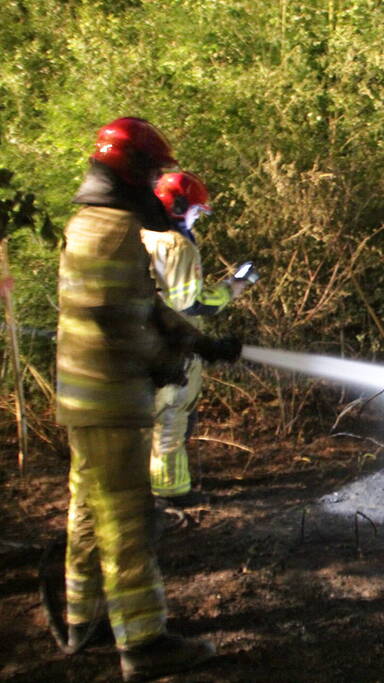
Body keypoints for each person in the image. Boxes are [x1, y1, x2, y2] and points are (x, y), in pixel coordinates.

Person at [57, 116, 241, 681]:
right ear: (133, 170)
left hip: (91, 396)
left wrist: (194, 341)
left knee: (89, 510)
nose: (159, 181)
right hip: (109, 397)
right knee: (127, 519)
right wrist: (166, 359)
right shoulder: (112, 228)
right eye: (154, 169)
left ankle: (79, 619)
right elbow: (115, 320)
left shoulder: (94, 222)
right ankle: (143, 643)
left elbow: (136, 302)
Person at [142, 171, 252, 506]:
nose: (196, 218)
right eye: (195, 211)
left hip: (133, 342)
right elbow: (192, 304)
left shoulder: (136, 233)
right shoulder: (178, 246)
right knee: (173, 418)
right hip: (167, 346)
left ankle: (140, 488)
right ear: (177, 206)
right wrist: (234, 287)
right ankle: (171, 493)